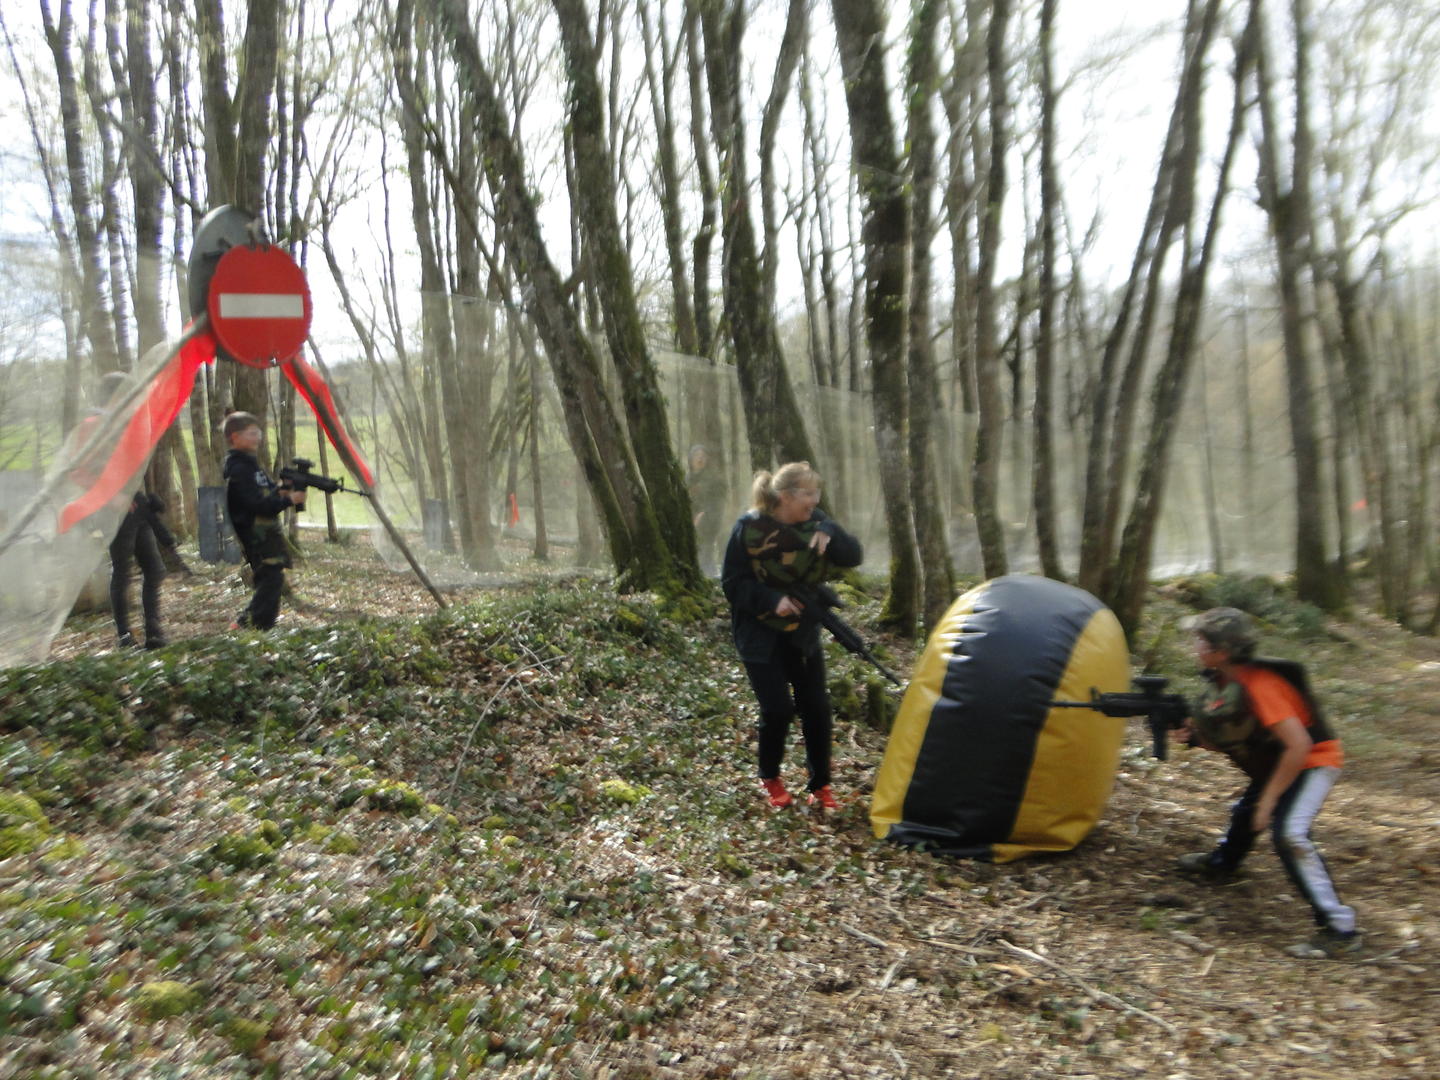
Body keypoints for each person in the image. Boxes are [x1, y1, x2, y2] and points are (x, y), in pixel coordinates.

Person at [1175, 606, 1360, 959]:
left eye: (1200, 640)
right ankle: (1223, 864)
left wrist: (1269, 799)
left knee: (1290, 834)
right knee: (1246, 813)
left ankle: (1340, 928)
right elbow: (1238, 736)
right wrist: (1195, 738)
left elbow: (1299, 744)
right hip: (1284, 761)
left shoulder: (1261, 685)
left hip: (1313, 761)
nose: (1194, 645)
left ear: (1222, 651)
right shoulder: (1226, 682)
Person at [721, 462, 863, 810]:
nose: (815, 501)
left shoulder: (817, 523)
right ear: (785, 496)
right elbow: (733, 583)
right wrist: (772, 600)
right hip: (758, 634)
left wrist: (831, 528)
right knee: (778, 709)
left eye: (817, 494)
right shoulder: (749, 527)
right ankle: (770, 776)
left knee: (816, 708)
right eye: (809, 494)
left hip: (802, 635)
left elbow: (853, 555)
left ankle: (821, 785)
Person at [222, 412, 304, 630]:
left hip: (266, 534)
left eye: (258, 433)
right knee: (271, 579)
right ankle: (245, 626)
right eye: (252, 433)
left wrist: (283, 489)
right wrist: (289, 501)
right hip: (256, 535)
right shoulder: (239, 470)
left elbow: (267, 494)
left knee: (272, 580)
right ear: (235, 437)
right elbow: (257, 505)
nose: (258, 437)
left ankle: (261, 628)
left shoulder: (251, 466)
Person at [685, 444, 727, 577]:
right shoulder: (687, 479)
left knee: (706, 552)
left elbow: (717, 501)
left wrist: (703, 515)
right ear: (691, 459)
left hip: (708, 520)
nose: (700, 459)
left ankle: (710, 577)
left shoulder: (713, 479)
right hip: (689, 521)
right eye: (697, 456)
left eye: (703, 456)